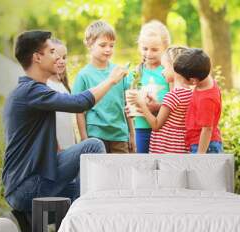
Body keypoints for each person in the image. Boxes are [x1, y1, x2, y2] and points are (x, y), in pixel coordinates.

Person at [3, 30, 127, 213]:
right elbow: (80, 103)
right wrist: (111, 80)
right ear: (37, 57)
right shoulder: (30, 92)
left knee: (84, 196)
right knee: (92, 146)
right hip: (25, 188)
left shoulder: (33, 90)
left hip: (30, 183)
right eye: (52, 52)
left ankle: (81, 228)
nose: (58, 58)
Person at [73, 20, 135, 153]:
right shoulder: (83, 75)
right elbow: (79, 112)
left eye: (111, 45)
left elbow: (127, 106)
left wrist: (132, 134)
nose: (108, 49)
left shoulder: (120, 72)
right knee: (98, 173)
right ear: (89, 44)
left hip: (119, 135)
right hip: (95, 136)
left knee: (121, 172)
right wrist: (84, 139)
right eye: (103, 45)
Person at [129, 46, 192, 153]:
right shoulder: (190, 93)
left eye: (165, 68)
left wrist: (142, 105)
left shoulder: (172, 96)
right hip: (180, 146)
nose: (162, 72)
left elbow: (156, 125)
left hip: (167, 148)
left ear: (175, 68)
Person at [127, 20, 171, 153]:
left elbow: (177, 100)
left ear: (165, 48)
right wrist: (130, 110)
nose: (149, 54)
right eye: (145, 49)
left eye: (155, 50)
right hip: (141, 128)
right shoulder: (136, 73)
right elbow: (131, 99)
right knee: (144, 165)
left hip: (165, 128)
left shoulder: (168, 71)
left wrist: (157, 106)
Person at [181, 48, 223, 154]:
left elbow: (207, 129)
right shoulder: (204, 80)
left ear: (193, 80)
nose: (180, 79)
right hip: (199, 143)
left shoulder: (207, 99)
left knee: (201, 170)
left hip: (205, 146)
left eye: (182, 77)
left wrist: (200, 157)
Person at [46, 38, 76, 150]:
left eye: (64, 57)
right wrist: (57, 148)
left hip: (70, 144)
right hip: (57, 148)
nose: (62, 61)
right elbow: (48, 123)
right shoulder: (46, 85)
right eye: (57, 58)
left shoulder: (62, 84)